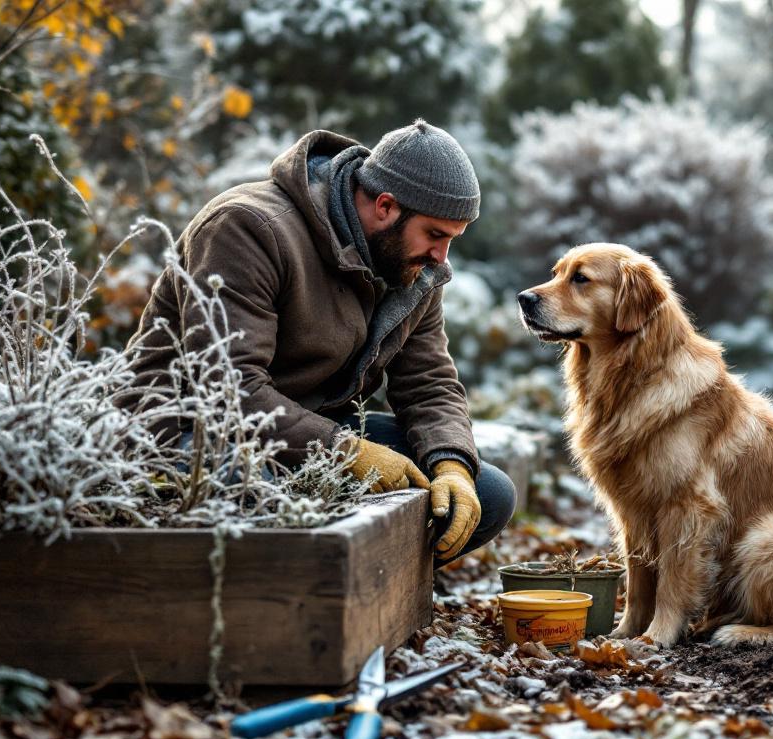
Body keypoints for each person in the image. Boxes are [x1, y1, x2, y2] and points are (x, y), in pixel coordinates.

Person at [123, 120, 514, 566]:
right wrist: (348, 453)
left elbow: (429, 383)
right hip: (191, 426)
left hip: (311, 427)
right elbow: (227, 390)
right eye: (436, 235)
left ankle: (357, 590)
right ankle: (291, 597)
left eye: (451, 240)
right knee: (242, 487)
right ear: (385, 206)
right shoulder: (248, 227)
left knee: (489, 496)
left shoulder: (413, 265)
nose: (442, 258)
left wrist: (452, 467)